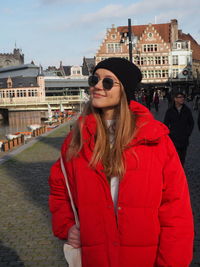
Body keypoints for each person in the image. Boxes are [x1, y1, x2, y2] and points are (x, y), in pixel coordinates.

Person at [49, 58, 194, 267]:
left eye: (108, 82)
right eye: (94, 79)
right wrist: (67, 225)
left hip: (144, 259)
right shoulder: (77, 139)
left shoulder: (155, 140)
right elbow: (59, 188)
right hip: (96, 257)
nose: (97, 86)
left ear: (125, 90)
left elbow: (176, 210)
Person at [164, 92, 194, 166]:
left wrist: (188, 133)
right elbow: (165, 124)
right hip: (174, 139)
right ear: (175, 99)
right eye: (180, 97)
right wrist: (170, 134)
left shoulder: (187, 110)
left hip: (184, 139)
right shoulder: (170, 111)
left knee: (182, 158)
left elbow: (191, 123)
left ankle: (181, 173)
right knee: (175, 158)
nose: (182, 99)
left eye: (183, 97)